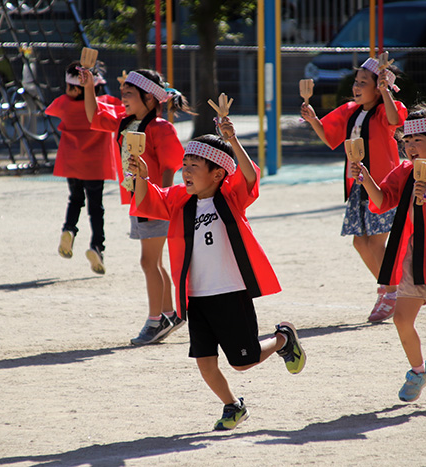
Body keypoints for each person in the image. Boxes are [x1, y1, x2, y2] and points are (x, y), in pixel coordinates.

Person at [127, 116, 307, 430]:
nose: (186, 171)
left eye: (194, 166)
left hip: (229, 291)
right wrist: (141, 176)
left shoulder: (231, 196)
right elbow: (148, 201)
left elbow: (249, 176)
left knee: (244, 361)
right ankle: (232, 406)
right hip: (196, 297)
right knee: (205, 364)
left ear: (217, 173)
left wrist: (233, 140)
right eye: (185, 164)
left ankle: (282, 339)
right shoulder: (179, 200)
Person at [351, 101, 426, 409]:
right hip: (413, 258)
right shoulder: (405, 170)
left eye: (416, 141)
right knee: (402, 319)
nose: (409, 146)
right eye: (406, 140)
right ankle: (420, 371)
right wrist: (365, 177)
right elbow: (383, 200)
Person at [81, 67, 191, 345]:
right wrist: (89, 86)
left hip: (154, 201)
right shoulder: (125, 121)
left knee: (148, 262)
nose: (124, 98)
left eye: (129, 94)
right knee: (153, 262)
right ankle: (169, 315)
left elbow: (171, 165)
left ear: (151, 99)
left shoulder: (161, 127)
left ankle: (156, 322)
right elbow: (94, 116)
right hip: (140, 200)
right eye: (123, 93)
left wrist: (163, 199)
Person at [301, 57, 407, 322]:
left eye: (363, 82)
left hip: (383, 185)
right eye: (356, 81)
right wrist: (314, 120)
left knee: (376, 242)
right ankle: (389, 289)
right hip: (358, 185)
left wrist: (385, 90)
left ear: (379, 87)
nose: (356, 86)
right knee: (360, 242)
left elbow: (396, 120)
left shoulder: (384, 110)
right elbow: (330, 137)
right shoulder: (350, 109)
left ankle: (393, 292)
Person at [45, 61, 122, 274]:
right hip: (95, 164)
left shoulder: (63, 103)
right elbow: (125, 108)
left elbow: (50, 109)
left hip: (72, 162)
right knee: (96, 207)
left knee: (75, 199)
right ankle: (97, 246)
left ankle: (69, 229)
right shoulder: (104, 104)